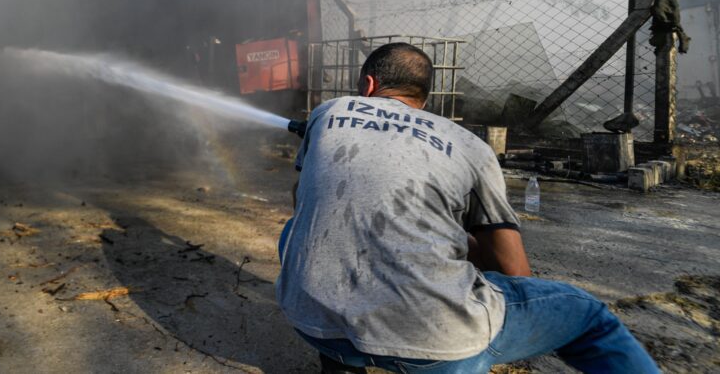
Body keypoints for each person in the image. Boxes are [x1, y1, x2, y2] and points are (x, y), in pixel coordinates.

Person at [277, 43, 658, 374]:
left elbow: (303, 203)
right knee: (589, 316)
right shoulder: (471, 146)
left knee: (292, 233)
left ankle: (342, 359)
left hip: (310, 321)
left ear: (368, 85)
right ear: (424, 100)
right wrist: (458, 246)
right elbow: (514, 272)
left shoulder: (329, 113)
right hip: (438, 345)